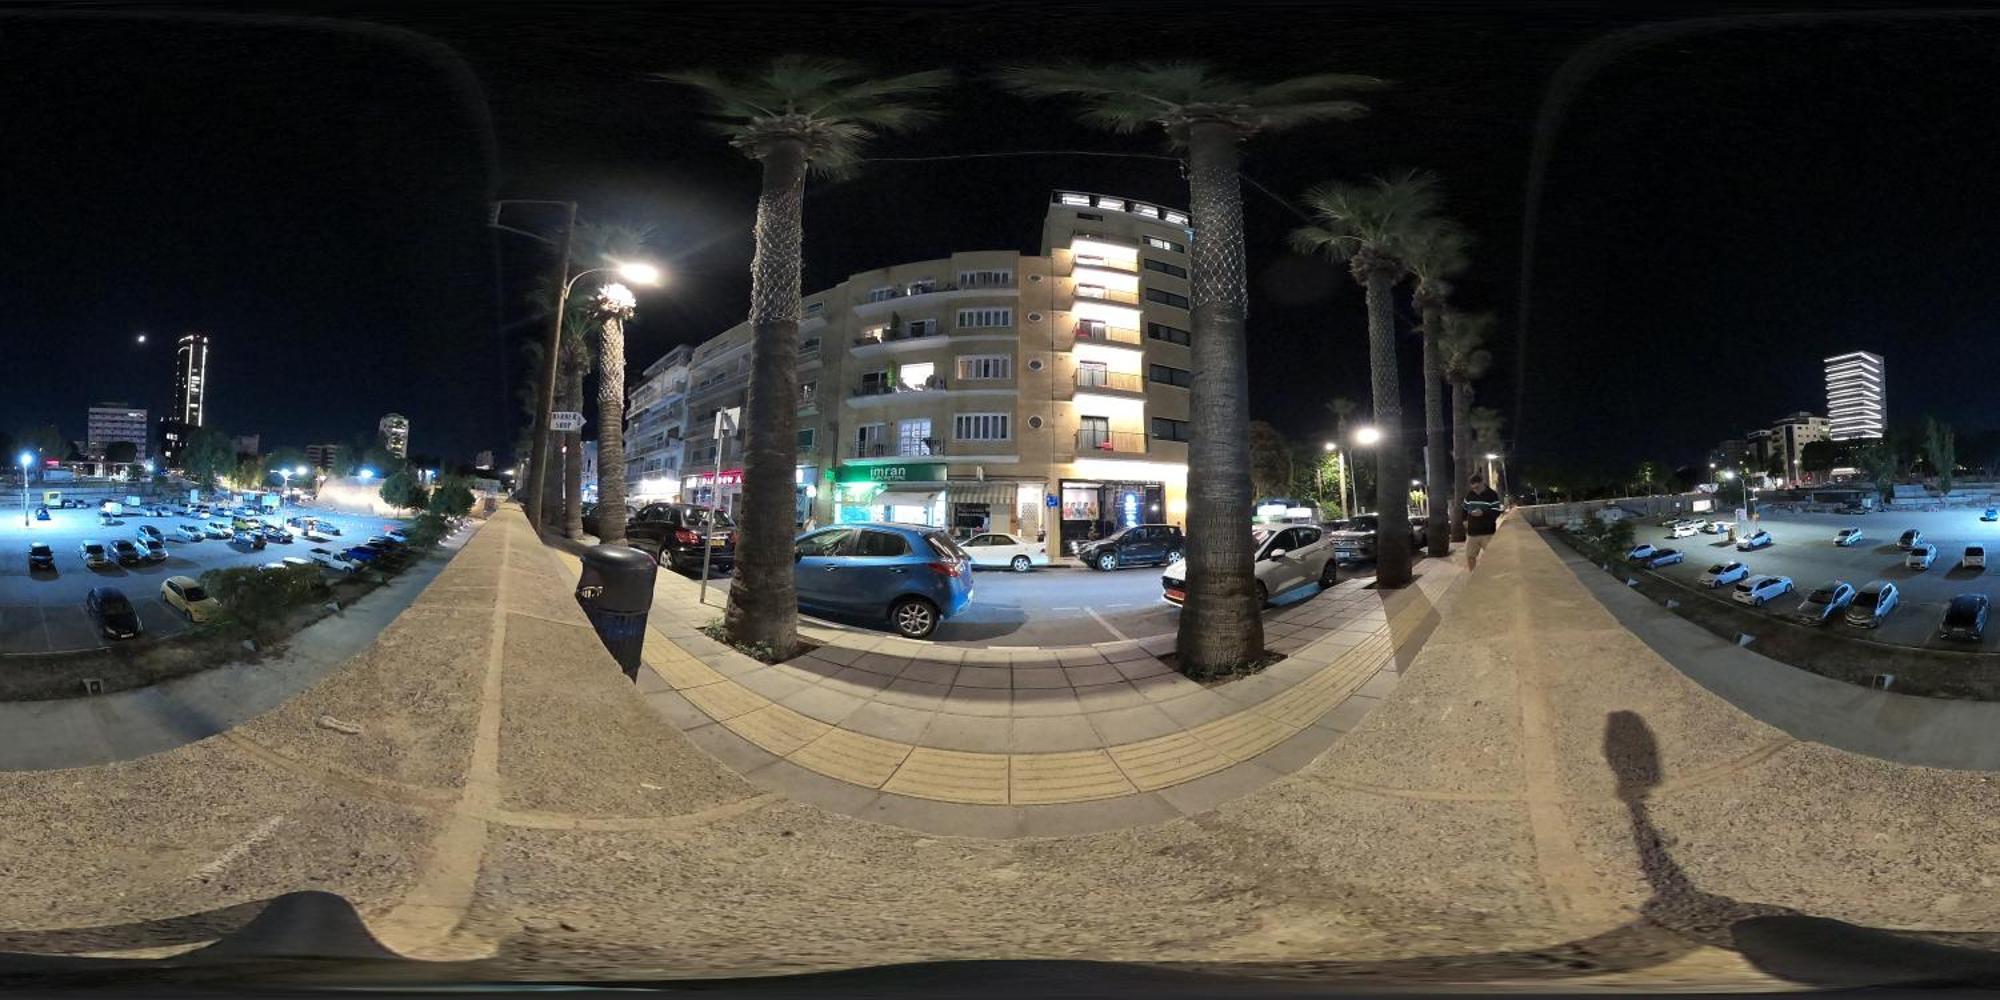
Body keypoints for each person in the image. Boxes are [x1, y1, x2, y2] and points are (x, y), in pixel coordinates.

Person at [1463, 473, 1504, 570]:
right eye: (1473, 488)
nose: (1475, 490)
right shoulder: (1469, 495)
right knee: (1470, 556)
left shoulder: (1492, 494)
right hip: (1472, 533)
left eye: (1477, 487)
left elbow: (1496, 512)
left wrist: (1483, 513)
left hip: (1487, 533)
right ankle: (1472, 576)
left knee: (1491, 558)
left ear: (1482, 483)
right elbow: (1464, 509)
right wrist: (1464, 520)